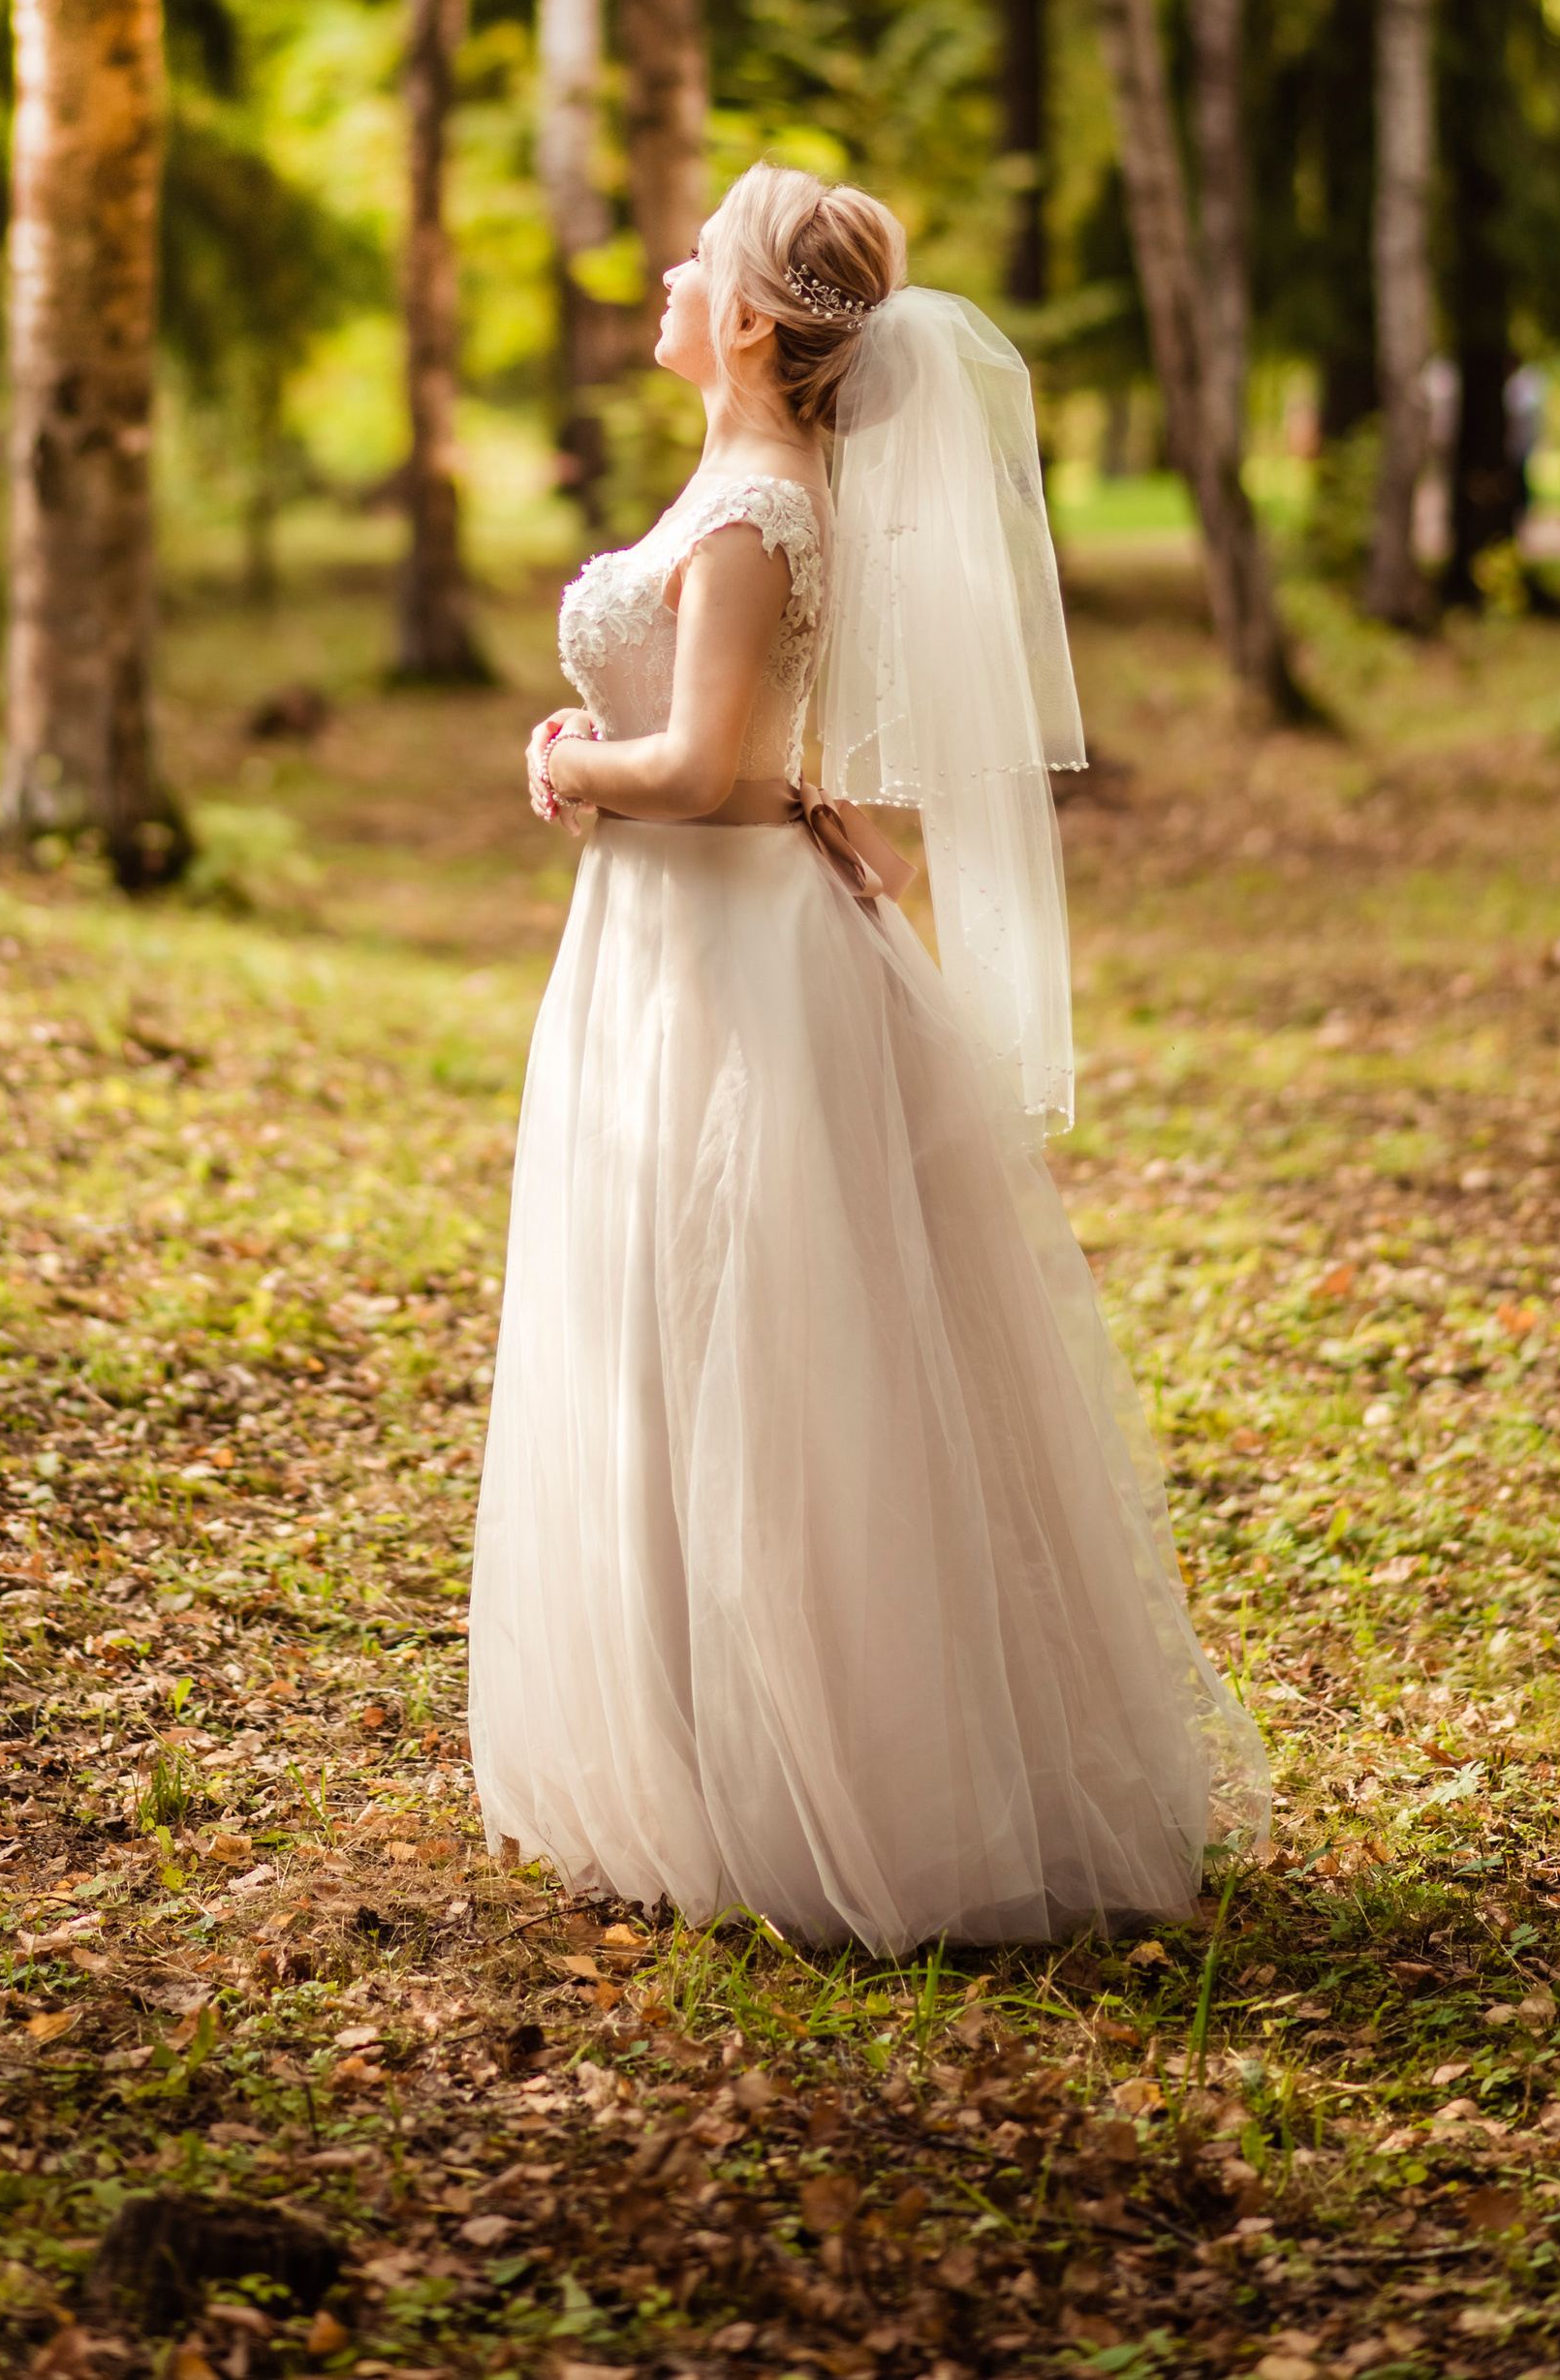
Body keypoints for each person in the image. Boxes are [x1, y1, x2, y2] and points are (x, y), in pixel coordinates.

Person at [466, 159, 1269, 1953]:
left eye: (696, 259)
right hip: (679, 934)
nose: (668, 273)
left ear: (748, 320)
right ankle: (701, 1737)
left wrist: (563, 763)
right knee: (683, 1319)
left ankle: (818, 1778)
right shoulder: (739, 479)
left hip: (730, 946)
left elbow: (690, 767)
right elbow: (772, 745)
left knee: (769, 1336)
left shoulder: (758, 506)